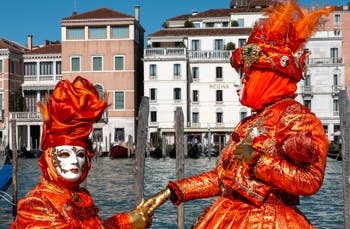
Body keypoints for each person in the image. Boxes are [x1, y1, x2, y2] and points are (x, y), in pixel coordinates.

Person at [146, 1, 335, 228]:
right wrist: (172, 191)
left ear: (267, 77)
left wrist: (258, 160)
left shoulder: (296, 118)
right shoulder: (248, 123)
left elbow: (309, 180)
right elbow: (222, 177)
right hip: (227, 216)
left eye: (246, 77)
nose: (241, 84)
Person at [10, 76, 153, 229]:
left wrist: (131, 220)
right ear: (49, 158)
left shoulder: (81, 196)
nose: (75, 161)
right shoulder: (36, 204)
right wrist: (127, 225)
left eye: (80, 155)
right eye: (65, 154)